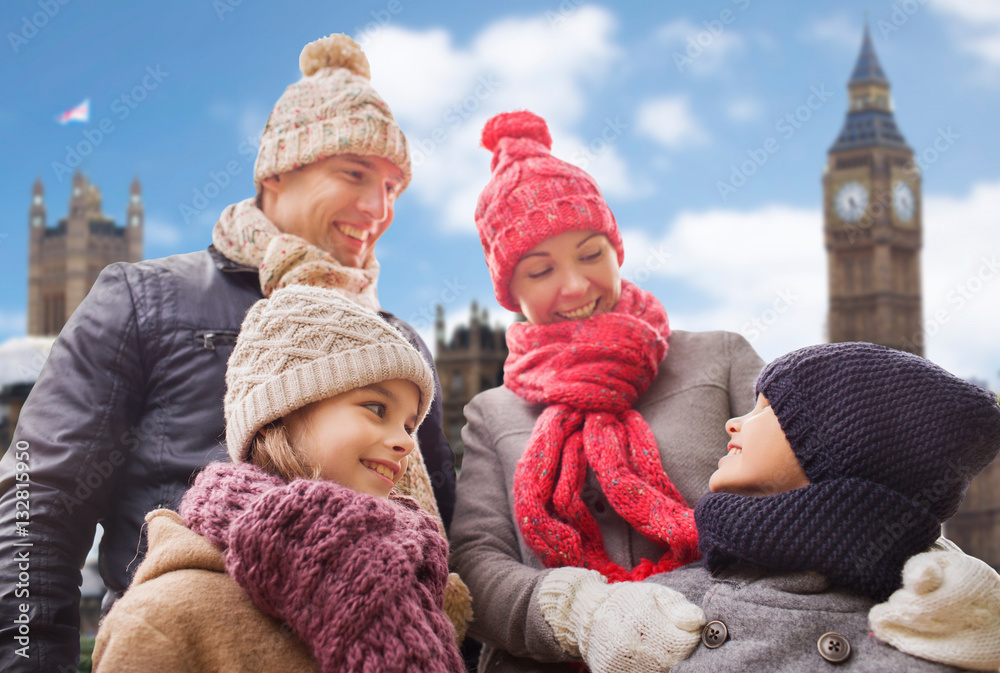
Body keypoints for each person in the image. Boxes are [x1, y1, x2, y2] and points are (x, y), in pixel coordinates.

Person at [449, 111, 1000, 673]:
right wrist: (583, 616)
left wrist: (935, 574)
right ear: (508, 289)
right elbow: (475, 563)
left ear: (617, 249)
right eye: (540, 271)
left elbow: (834, 476)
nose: (574, 285)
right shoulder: (492, 412)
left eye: (591, 254)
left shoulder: (719, 355)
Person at [0, 33, 454, 672]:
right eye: (353, 174)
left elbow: (448, 540)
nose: (376, 208)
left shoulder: (400, 344)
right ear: (278, 170)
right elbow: (36, 504)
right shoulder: (144, 299)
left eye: (392, 188)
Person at [544, 342, 1000, 672]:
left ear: (840, 448)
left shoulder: (938, 620)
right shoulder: (667, 608)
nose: (734, 422)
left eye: (765, 408)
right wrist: (589, 613)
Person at [93, 286, 469, 672]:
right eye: (377, 408)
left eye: (410, 425)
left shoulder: (411, 580)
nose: (406, 443)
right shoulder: (163, 618)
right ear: (284, 411)